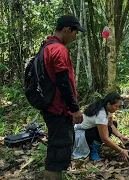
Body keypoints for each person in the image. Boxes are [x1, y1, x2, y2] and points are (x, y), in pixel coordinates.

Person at [42, 15, 85, 179]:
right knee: (57, 157)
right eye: (75, 33)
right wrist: (74, 109)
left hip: (51, 108)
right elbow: (63, 81)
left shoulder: (47, 45)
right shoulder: (59, 50)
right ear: (67, 30)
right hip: (59, 110)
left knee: (55, 152)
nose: (75, 37)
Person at [73, 93, 129, 161]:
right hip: (79, 134)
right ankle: (93, 151)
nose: (117, 109)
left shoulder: (107, 109)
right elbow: (105, 139)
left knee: (114, 124)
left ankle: (93, 146)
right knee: (107, 130)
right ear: (109, 104)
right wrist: (121, 151)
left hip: (89, 130)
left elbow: (111, 124)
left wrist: (120, 136)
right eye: (116, 106)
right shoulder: (101, 114)